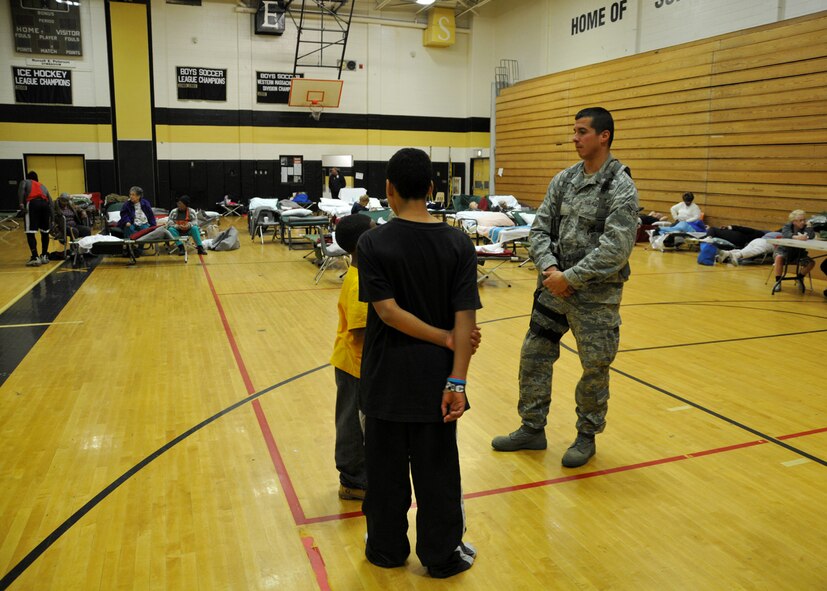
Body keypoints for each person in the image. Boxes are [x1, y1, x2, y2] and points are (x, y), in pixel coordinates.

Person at [491, 107, 639, 469]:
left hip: (596, 299)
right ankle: (532, 428)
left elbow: (616, 251)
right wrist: (550, 269)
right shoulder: (564, 180)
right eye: (574, 131)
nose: (575, 138)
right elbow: (539, 230)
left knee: (594, 368)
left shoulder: (621, 186)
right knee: (534, 356)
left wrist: (568, 278)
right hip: (552, 291)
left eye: (582, 131)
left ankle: (586, 436)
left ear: (603, 136)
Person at [358, 147, 481, 578]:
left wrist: (447, 335)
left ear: (388, 190)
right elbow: (466, 321)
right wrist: (457, 379)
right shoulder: (458, 242)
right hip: (437, 382)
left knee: (385, 475)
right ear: (432, 189)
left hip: (384, 380)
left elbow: (388, 312)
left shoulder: (372, 241)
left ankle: (386, 551)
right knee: (439, 475)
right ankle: (442, 555)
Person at [330, 214, 375, 502]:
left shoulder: (364, 274)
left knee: (353, 423)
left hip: (355, 363)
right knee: (351, 425)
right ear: (362, 243)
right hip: (356, 365)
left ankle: (357, 476)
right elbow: (361, 335)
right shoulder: (359, 284)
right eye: (373, 230)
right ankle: (352, 481)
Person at [772, 209, 814, 293]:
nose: (803, 222)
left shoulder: (806, 226)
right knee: (779, 258)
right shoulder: (787, 226)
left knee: (811, 263)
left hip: (799, 254)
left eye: (804, 220)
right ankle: (778, 281)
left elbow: (811, 236)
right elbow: (786, 234)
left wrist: (809, 227)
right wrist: (796, 237)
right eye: (800, 220)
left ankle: (799, 277)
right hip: (784, 252)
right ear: (794, 222)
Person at [18, 171, 53, 266]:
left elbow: (21, 190)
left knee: (30, 232)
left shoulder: (25, 181)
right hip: (45, 206)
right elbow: (51, 201)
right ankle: (44, 256)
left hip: (33, 204)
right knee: (45, 232)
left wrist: (21, 205)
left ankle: (35, 257)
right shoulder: (43, 186)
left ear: (28, 177)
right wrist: (52, 218)